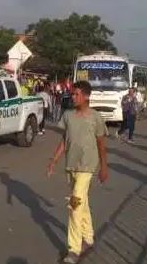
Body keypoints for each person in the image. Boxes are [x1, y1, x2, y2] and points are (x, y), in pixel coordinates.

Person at [47, 81, 108, 264]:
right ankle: (88, 238)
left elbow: (101, 144)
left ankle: (74, 250)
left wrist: (104, 167)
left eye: (77, 94)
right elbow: (65, 140)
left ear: (87, 96)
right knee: (82, 203)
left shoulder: (96, 117)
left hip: (88, 166)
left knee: (74, 205)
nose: (73, 97)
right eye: (72, 94)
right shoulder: (68, 116)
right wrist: (54, 161)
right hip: (71, 166)